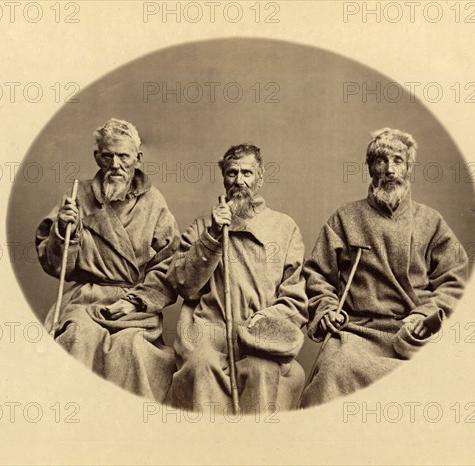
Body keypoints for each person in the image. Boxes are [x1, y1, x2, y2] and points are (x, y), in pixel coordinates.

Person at [300, 128, 469, 407]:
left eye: (398, 161)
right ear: (370, 167)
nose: (389, 169)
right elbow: (317, 274)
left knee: (440, 382)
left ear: (409, 168)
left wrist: (425, 315)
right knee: (332, 372)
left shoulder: (430, 221)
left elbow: (455, 279)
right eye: (381, 160)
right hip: (356, 332)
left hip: (413, 332)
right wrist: (327, 309)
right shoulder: (345, 218)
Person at [36, 118, 180, 401]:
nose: (115, 164)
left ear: (137, 159)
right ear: (97, 157)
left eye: (123, 156)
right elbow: (56, 264)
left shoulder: (154, 202)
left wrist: (136, 301)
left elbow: (169, 264)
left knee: (133, 348)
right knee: (77, 336)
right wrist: (64, 231)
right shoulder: (78, 196)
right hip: (86, 299)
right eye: (107, 155)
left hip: (133, 303)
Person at [166, 144, 308, 414]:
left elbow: (295, 300)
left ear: (260, 177)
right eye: (232, 173)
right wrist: (212, 236)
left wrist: (264, 321)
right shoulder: (201, 227)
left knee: (262, 370)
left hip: (260, 334)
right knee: (200, 366)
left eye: (247, 173)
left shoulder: (284, 227)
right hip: (210, 329)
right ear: (223, 178)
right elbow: (183, 284)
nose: (239, 181)